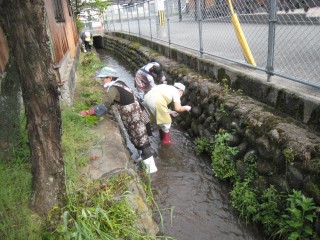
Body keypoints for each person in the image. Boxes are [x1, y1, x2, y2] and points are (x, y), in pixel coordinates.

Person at [80, 67, 157, 173]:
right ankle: (142, 158)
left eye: (103, 78)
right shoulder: (120, 83)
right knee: (139, 137)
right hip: (138, 112)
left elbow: (106, 104)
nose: (101, 81)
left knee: (142, 140)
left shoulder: (113, 89)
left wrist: (89, 112)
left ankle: (151, 170)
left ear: (109, 77)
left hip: (134, 117)